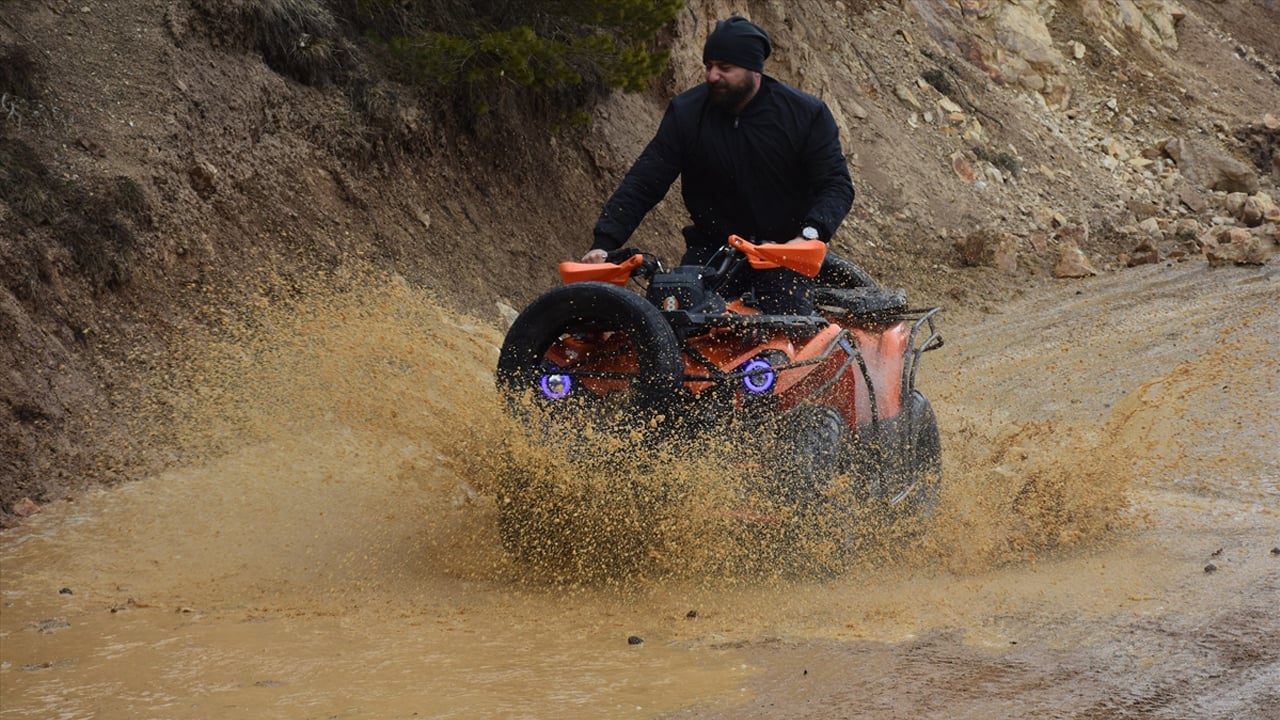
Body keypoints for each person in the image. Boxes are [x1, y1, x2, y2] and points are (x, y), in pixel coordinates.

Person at [582, 16, 855, 315]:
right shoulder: (686, 113)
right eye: (709, 66)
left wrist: (809, 235)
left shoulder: (806, 114)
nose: (712, 76)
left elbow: (836, 184)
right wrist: (604, 244)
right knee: (679, 323)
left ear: (754, 70)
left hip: (782, 254)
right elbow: (645, 181)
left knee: (785, 341)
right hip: (712, 253)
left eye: (725, 68)